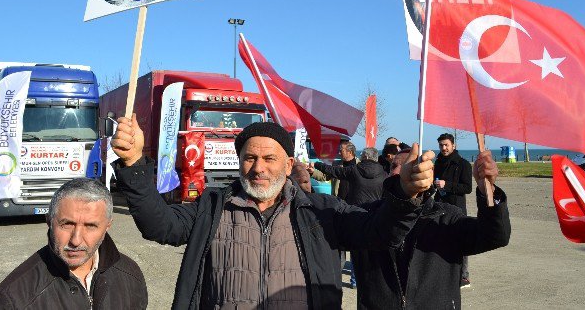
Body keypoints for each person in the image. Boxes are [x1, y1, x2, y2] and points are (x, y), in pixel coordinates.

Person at [111, 117, 435, 309]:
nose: (259, 168)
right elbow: (160, 226)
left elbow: (381, 232)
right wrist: (134, 164)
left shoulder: (321, 212)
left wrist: (405, 194)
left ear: (288, 165)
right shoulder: (211, 208)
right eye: (250, 158)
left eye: (269, 158)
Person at [354, 149, 511, 309]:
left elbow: (495, 235)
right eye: (394, 165)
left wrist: (488, 190)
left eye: (413, 166)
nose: (399, 171)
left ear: (427, 176)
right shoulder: (367, 214)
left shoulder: (446, 217)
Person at [0, 178, 148, 310]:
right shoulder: (14, 297)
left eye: (90, 226)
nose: (76, 240)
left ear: (107, 226)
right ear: (49, 221)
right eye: (67, 224)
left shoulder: (130, 275)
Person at [311, 147, 388, 289]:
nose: (340, 152)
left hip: (354, 213)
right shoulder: (384, 174)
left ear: (363, 157)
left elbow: (334, 172)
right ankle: (358, 279)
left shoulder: (355, 170)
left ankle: (346, 278)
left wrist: (317, 164)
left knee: (348, 245)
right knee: (366, 248)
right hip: (373, 213)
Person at [433, 132, 473, 287]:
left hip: (457, 208)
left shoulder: (463, 164)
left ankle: (464, 276)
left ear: (453, 146)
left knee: (460, 241)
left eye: (446, 145)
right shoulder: (438, 163)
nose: (443, 148)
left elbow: (467, 188)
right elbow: (433, 183)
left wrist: (446, 185)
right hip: (439, 206)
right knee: (440, 240)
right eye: (441, 145)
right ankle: (443, 273)